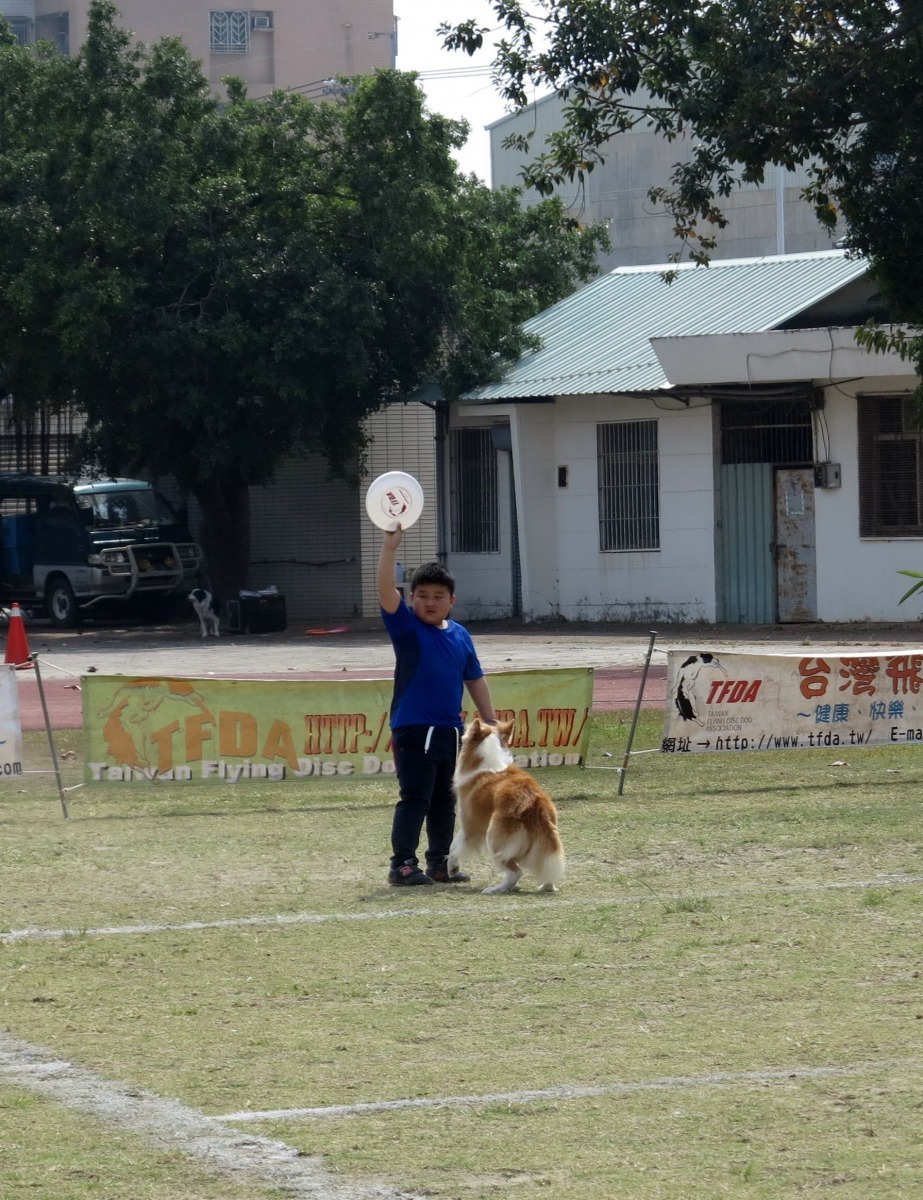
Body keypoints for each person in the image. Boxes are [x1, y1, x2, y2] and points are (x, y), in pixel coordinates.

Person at [377, 526, 497, 886]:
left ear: (452, 601)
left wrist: (490, 721)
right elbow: (385, 589)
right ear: (411, 598)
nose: (430, 602)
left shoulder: (460, 634)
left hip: (449, 731)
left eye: (438, 596)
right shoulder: (407, 628)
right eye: (423, 595)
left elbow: (474, 677)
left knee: (445, 801)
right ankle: (402, 864)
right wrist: (388, 548)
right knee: (415, 798)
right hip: (414, 729)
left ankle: (440, 864)